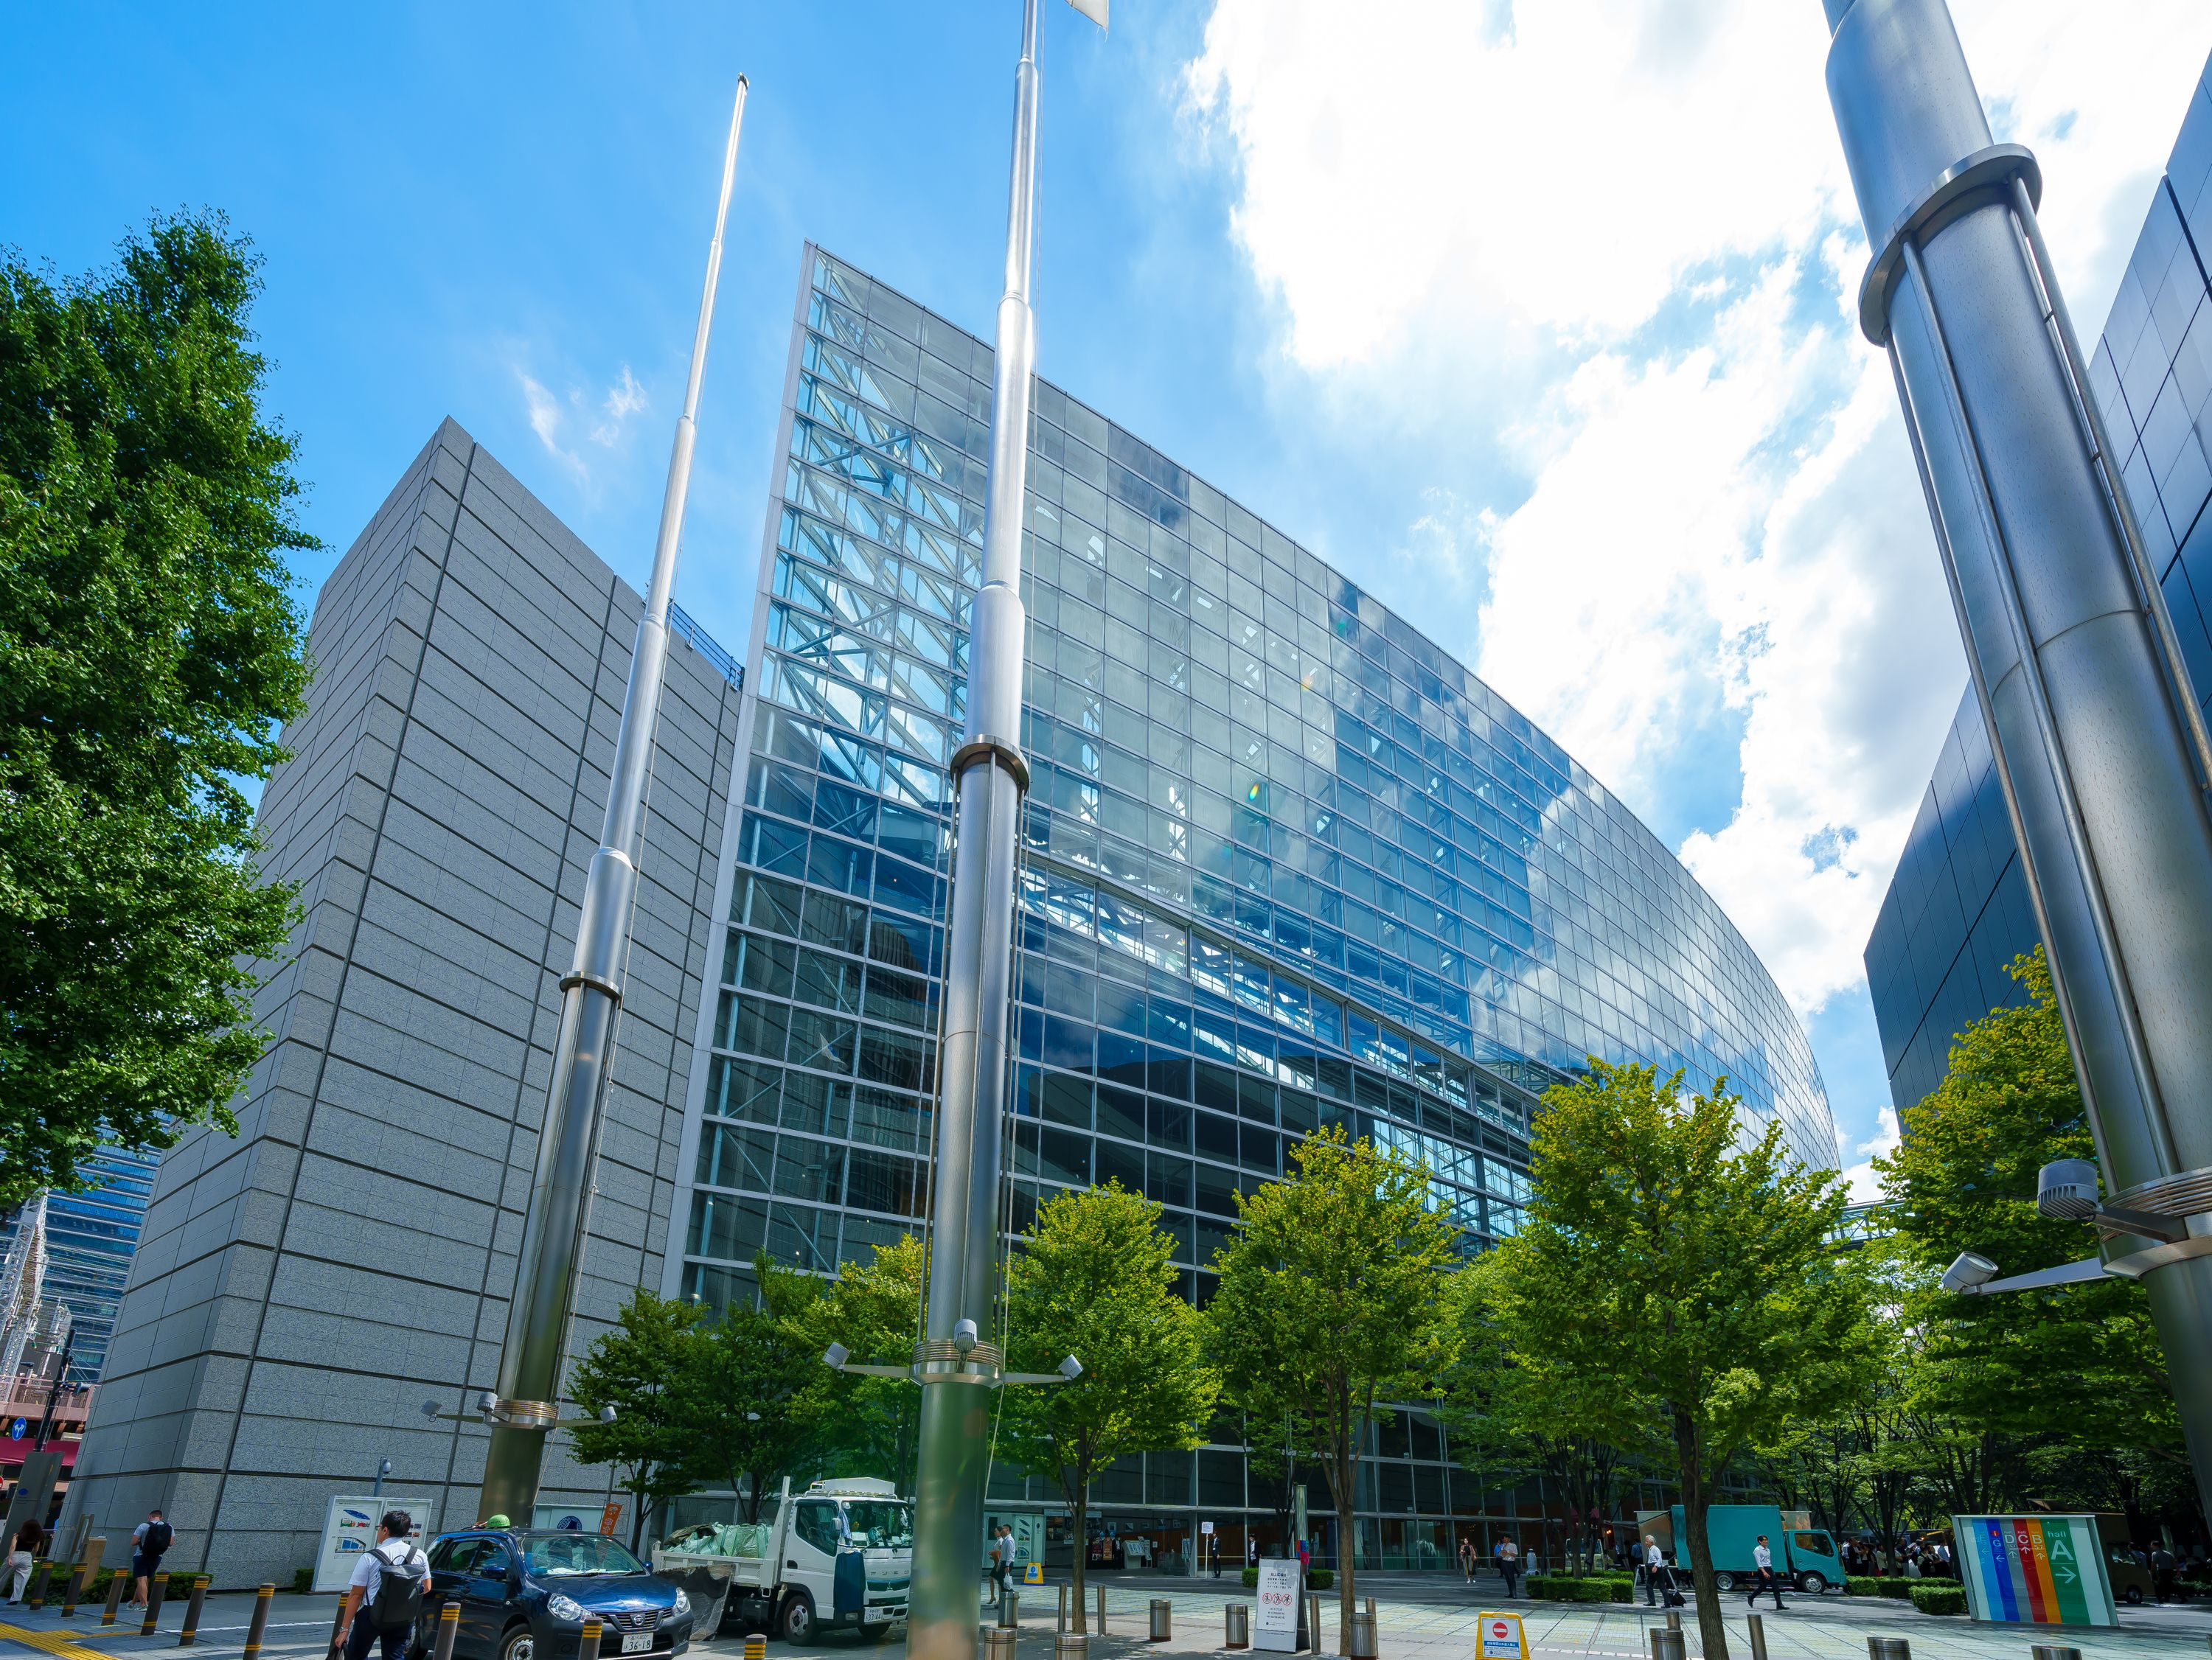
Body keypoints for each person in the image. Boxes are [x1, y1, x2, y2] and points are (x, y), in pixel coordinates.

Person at [337, 1510, 430, 1660]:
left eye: (379, 1528)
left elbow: (356, 1595)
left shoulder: (369, 1557)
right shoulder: (420, 1555)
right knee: (394, 1657)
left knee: (356, 1656)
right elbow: (427, 1587)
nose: (379, 1532)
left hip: (372, 1613)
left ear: (385, 1530)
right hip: (402, 1616)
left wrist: (344, 1629)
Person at [129, 1509, 173, 1608]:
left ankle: (144, 1605)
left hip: (141, 1555)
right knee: (145, 1580)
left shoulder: (143, 1526)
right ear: (161, 1518)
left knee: (141, 1579)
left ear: (149, 1516)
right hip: (157, 1556)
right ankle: (132, 1603)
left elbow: (133, 1542)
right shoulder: (169, 1527)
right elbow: (170, 1543)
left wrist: (141, 1541)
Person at [4, 1518, 42, 1605]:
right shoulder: (37, 1538)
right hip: (27, 1557)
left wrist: (10, 1558)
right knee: (22, 1579)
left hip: (15, 1555)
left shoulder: (16, 1535)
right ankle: (15, 1599)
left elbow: (13, 1546)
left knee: (2, 1575)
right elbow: (36, 1550)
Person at [1747, 1535, 1786, 1611]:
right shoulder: (1757, 1550)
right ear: (1760, 1541)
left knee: (1776, 1587)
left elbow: (1768, 1561)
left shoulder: (1768, 1550)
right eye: (1764, 1540)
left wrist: (1770, 1571)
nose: (1766, 1541)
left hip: (1769, 1569)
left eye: (1766, 1540)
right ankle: (1751, 1597)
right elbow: (1759, 1563)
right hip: (1762, 1570)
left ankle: (1779, 1605)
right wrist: (1764, 1572)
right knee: (1762, 1587)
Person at [1643, 1536, 1666, 1608]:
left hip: (1657, 1569)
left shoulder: (1655, 1549)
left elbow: (1659, 1559)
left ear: (1651, 1542)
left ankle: (1667, 1602)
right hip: (1651, 1568)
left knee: (1662, 1586)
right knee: (1649, 1585)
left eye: (1647, 1541)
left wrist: (1656, 1566)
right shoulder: (1649, 1549)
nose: (1646, 1543)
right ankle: (1651, 1601)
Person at [1499, 1536, 1522, 1600]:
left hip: (1510, 1562)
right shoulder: (1503, 1545)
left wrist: (1508, 1553)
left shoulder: (1513, 1545)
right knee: (1507, 1578)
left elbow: (1515, 1554)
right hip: (1504, 1561)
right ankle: (1511, 1593)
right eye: (1504, 1538)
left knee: (1511, 1578)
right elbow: (1502, 1554)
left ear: (1509, 1539)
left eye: (1506, 1538)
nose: (1504, 1539)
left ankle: (1514, 1594)